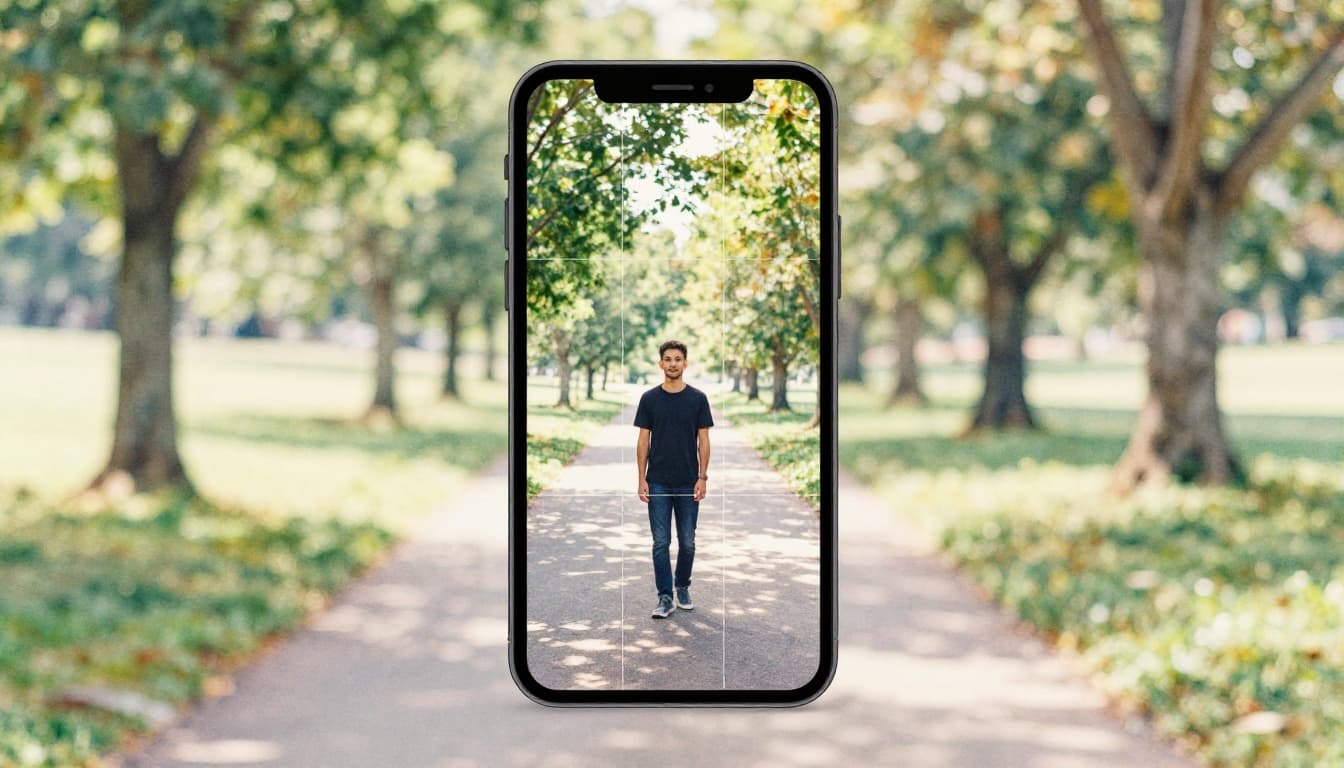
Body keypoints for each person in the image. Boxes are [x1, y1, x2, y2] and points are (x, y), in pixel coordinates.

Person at [634, 340, 713, 619]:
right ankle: (665, 597)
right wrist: (641, 478)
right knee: (660, 542)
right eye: (667, 359)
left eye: (677, 359)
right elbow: (643, 441)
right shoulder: (649, 399)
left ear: (685, 363)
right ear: (660, 364)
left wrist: (702, 477)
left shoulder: (698, 399)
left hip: (688, 481)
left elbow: (704, 441)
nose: (672, 364)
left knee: (688, 542)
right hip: (657, 482)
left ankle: (682, 586)